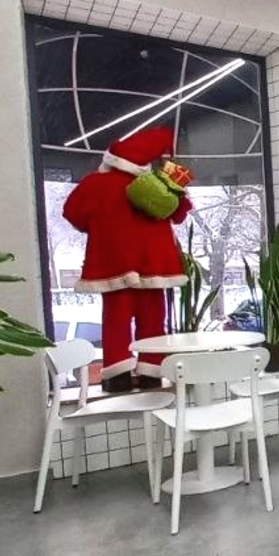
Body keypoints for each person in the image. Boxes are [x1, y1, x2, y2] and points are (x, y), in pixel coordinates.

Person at [62, 126, 191, 391]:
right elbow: (179, 214)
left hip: (113, 264)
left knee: (116, 322)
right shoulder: (160, 183)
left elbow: (73, 213)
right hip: (154, 265)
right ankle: (151, 373)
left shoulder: (93, 184)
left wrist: (100, 227)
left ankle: (117, 375)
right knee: (153, 320)